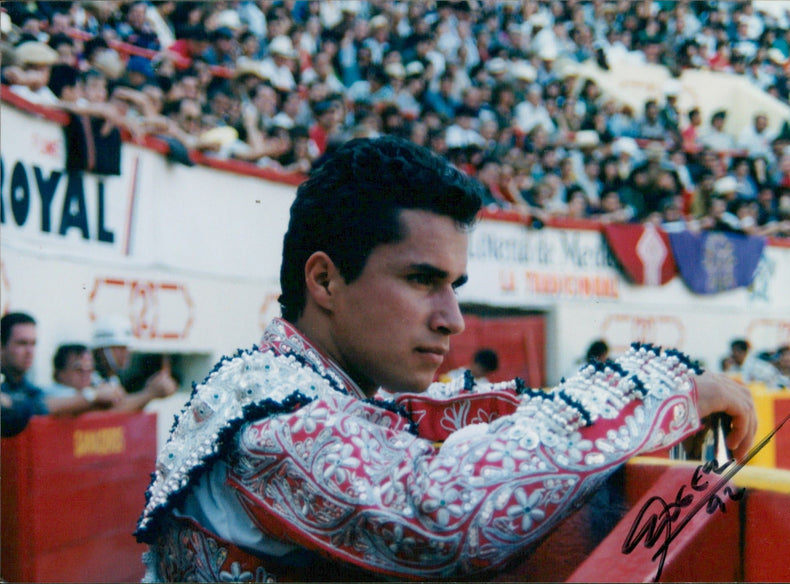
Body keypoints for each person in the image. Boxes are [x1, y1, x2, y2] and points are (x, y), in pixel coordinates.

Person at [135, 136, 756, 582]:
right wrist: (659, 390)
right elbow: (446, 520)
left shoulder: (299, 383)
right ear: (324, 281)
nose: (451, 318)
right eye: (420, 280)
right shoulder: (274, 425)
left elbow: (448, 415)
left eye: (454, 285)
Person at [91, 315, 178, 410]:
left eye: (126, 348)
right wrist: (150, 393)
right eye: (119, 348)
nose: (126, 353)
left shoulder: (114, 378)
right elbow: (111, 412)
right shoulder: (90, 379)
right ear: (101, 350)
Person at [1, 312, 48, 437]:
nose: (29, 351)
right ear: (1, 346)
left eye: (33, 344)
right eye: (22, 343)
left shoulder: (33, 391)